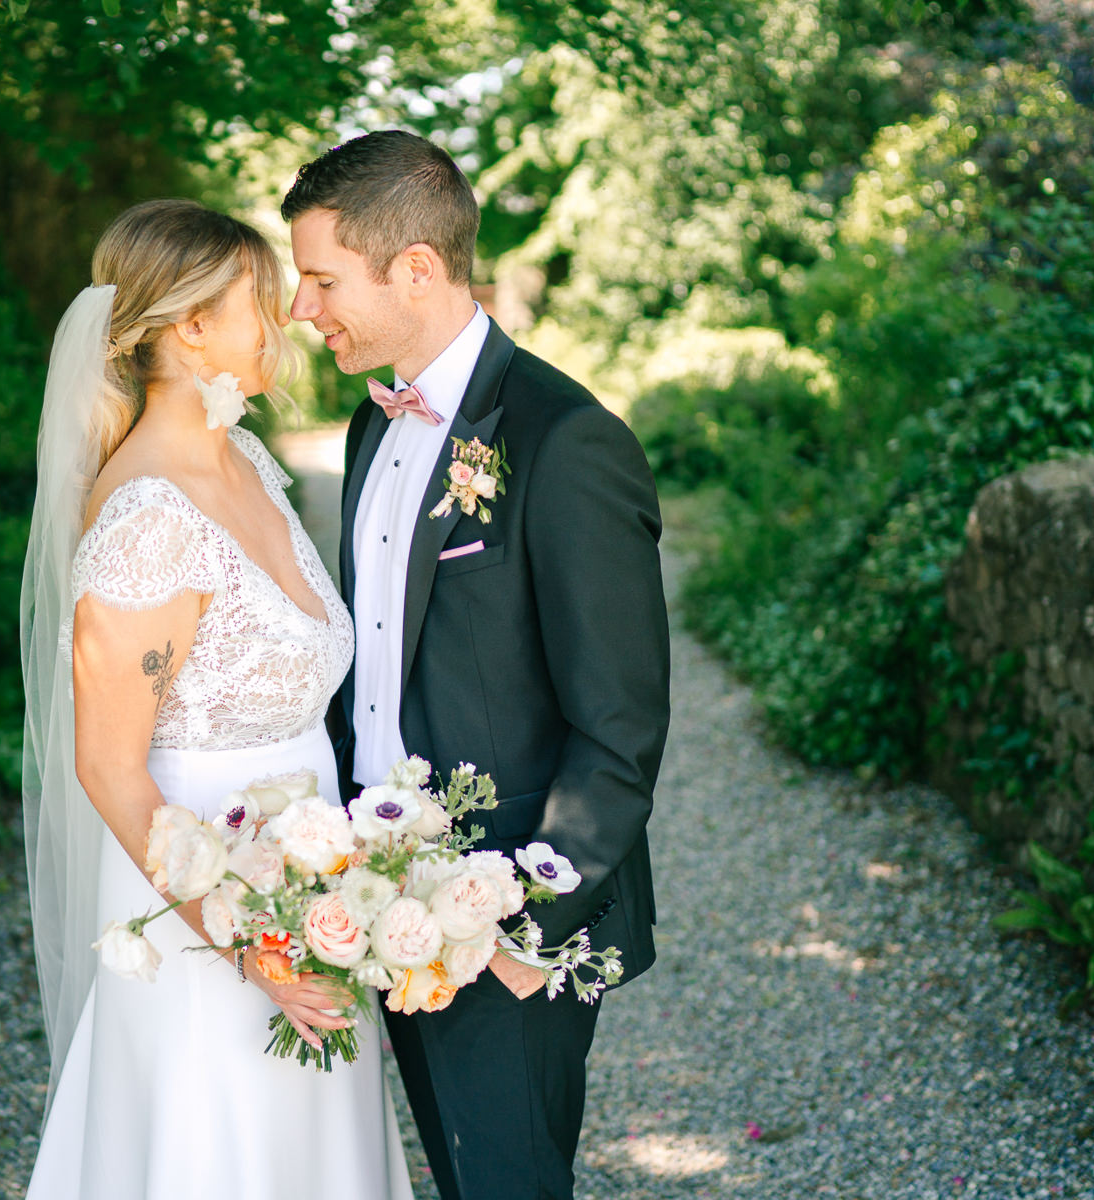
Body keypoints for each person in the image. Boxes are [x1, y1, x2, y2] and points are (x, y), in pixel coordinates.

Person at [283, 130, 672, 1200]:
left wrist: (522, 925)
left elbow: (621, 724)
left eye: (321, 279)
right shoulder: (375, 427)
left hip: (504, 912)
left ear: (415, 267)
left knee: (508, 1182)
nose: (302, 310)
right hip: (386, 904)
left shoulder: (566, 440)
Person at [19, 198, 412, 1199]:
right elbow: (108, 769)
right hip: (205, 910)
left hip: (311, 888)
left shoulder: (244, 461)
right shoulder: (149, 514)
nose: (284, 331)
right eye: (263, 309)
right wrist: (253, 946)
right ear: (190, 328)